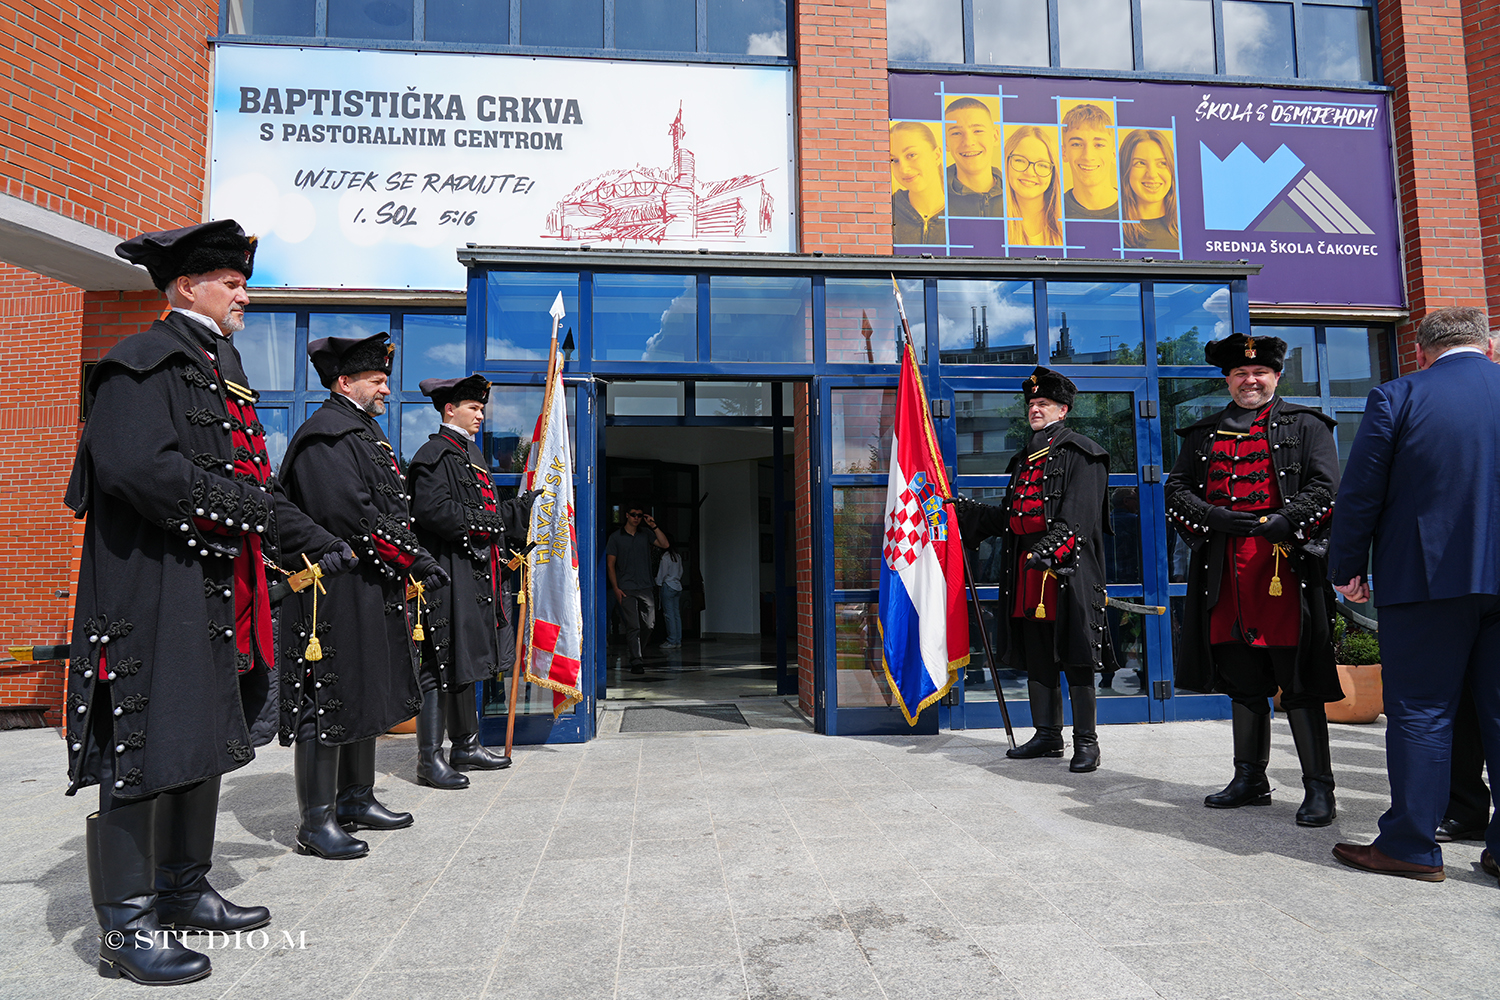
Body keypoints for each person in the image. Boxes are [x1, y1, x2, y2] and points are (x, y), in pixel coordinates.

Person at [66, 220, 353, 984]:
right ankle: (124, 933)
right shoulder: (139, 362)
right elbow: (140, 471)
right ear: (187, 286)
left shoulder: (216, 365)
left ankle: (184, 889)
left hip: (210, 586)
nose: (244, 295)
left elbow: (252, 486)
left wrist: (310, 535)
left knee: (200, 736)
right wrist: (257, 514)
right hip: (150, 585)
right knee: (140, 746)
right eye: (231, 283)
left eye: (242, 281)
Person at [1328, 306, 1500, 882]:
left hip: (1427, 578)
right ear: (1487, 348)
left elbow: (1361, 491)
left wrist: (1348, 566)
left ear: (1421, 351)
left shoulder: (1398, 396)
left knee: (1422, 712)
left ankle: (1409, 845)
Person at [278, 332, 449, 860]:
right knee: (326, 696)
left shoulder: (362, 432)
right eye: (377, 381)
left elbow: (387, 510)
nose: (386, 390)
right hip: (332, 587)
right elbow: (350, 516)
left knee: (365, 689)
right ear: (344, 381)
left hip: (368, 583)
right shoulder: (326, 435)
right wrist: (414, 558)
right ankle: (316, 820)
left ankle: (356, 798)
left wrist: (407, 557)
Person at [1165, 333, 1343, 827]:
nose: (1251, 379)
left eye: (1260, 372)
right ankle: (1251, 779)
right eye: (1241, 373)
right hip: (1224, 570)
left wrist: (1286, 520)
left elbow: (1327, 487)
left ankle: (1319, 789)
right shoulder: (1203, 433)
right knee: (1242, 679)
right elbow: (1176, 488)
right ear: (1228, 378)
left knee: (1299, 680)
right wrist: (1212, 516)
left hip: (1284, 569)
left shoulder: (1306, 425)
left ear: (1276, 376)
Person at [953, 367, 1113, 772]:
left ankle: (1087, 743)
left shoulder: (1084, 453)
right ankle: (1046, 735)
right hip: (1028, 571)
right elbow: (1011, 518)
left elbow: (1077, 518)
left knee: (1076, 656)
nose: (1035, 409)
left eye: (1043, 404)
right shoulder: (1024, 459)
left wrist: (1045, 551)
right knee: (1039, 654)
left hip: (1068, 570)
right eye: (1031, 404)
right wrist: (963, 510)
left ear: (1063, 409)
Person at [408, 375, 541, 787]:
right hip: (446, 574)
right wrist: (498, 518)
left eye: (482, 409)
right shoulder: (433, 454)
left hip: (475, 575)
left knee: (464, 663)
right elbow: (436, 513)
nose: (481, 415)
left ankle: (465, 745)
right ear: (450, 409)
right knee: (437, 664)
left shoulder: (471, 454)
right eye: (474, 408)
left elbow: (482, 511)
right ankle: (429, 760)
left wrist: (516, 510)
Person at [606, 504, 668, 672]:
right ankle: (636, 660)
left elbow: (665, 544)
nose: (636, 518)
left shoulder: (645, 534)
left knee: (649, 625)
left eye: (639, 515)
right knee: (633, 625)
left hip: (646, 586)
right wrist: (616, 588)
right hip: (626, 587)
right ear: (626, 515)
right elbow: (610, 565)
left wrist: (653, 525)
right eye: (633, 514)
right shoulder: (616, 537)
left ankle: (636, 649)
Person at [944, 98, 1004, 217]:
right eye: (956, 133)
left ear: (995, 137)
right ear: (946, 142)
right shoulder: (933, 195)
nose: (968, 142)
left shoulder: (1017, 194)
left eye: (977, 131)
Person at [1119, 129, 1179, 250]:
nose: (1152, 174)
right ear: (1125, 170)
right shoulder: (1112, 231)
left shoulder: (1189, 230)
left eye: (1162, 163)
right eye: (1140, 163)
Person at [1003, 125, 1063, 247]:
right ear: (1006, 162)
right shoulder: (992, 219)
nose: (1030, 172)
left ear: (1053, 173)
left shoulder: (1069, 224)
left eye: (1042, 165)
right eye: (1019, 160)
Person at [891, 121, 947, 245]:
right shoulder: (887, 212)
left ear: (937, 155)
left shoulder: (967, 210)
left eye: (911, 155)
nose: (903, 169)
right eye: (894, 160)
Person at [1061, 103, 1118, 220]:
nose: (1088, 156)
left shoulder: (1136, 209)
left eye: (1099, 145)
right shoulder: (1052, 212)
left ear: (1113, 154)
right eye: (1077, 144)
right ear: (1064, 153)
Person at [656, 539, 686, 650]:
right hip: (677, 586)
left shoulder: (666, 557)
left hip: (668, 585)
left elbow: (662, 574)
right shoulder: (677, 556)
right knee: (676, 614)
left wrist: (657, 583)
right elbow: (681, 571)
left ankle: (672, 640)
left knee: (669, 615)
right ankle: (678, 640)